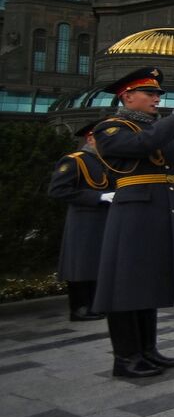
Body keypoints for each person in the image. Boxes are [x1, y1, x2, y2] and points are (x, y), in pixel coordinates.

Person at [90, 67, 174, 377]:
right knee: (126, 284)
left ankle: (147, 350)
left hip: (161, 209)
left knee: (148, 281)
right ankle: (126, 358)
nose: (157, 99)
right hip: (134, 211)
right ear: (127, 96)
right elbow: (140, 146)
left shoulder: (159, 129)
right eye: (150, 93)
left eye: (158, 94)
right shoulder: (111, 127)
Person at [48, 122, 110, 322]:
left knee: (97, 264)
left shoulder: (106, 162)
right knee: (81, 264)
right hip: (83, 220)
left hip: (104, 219)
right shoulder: (75, 160)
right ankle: (80, 308)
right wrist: (98, 197)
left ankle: (95, 305)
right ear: (90, 138)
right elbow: (58, 190)